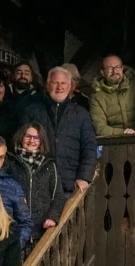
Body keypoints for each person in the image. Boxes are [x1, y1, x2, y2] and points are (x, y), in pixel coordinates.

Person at [24, 66, 97, 195]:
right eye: (55, 83)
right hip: (40, 183)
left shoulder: (81, 114)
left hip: (71, 184)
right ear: (47, 86)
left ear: (70, 87)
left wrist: (84, 177)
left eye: (63, 83)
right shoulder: (32, 111)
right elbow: (22, 145)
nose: (59, 87)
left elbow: (90, 147)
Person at [4, 122, 65, 246]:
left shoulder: (50, 166)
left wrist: (52, 217)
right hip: (16, 231)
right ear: (21, 137)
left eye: (36, 137)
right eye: (28, 136)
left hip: (42, 232)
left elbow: (58, 196)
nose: (32, 140)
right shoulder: (10, 163)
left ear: (41, 141)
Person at [90, 54, 135, 136]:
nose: (114, 72)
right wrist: (123, 133)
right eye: (109, 69)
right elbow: (100, 128)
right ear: (102, 73)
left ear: (122, 69)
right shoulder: (97, 97)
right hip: (115, 142)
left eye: (117, 67)